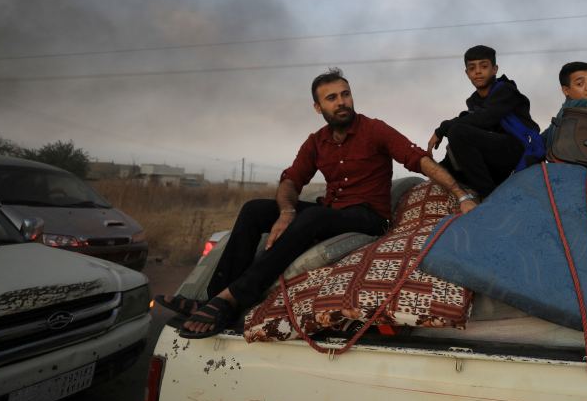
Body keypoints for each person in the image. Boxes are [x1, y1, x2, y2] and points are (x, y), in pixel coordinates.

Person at [157, 68, 477, 339]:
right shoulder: (316, 141)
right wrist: (286, 210)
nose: (341, 102)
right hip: (331, 213)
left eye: (345, 95)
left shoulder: (373, 129)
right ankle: (213, 298)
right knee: (255, 209)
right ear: (318, 107)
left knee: (312, 220)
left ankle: (234, 298)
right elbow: (291, 181)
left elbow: (417, 159)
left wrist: (459, 195)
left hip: (368, 217)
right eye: (332, 98)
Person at [427, 45, 542, 198]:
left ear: (494, 69)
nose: (478, 71)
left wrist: (442, 129)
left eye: (484, 66)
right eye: (472, 68)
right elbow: (470, 121)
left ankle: (488, 197)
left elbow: (485, 118)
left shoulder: (505, 91)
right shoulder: (474, 101)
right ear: (467, 73)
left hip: (517, 149)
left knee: (459, 132)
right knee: (445, 167)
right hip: (493, 157)